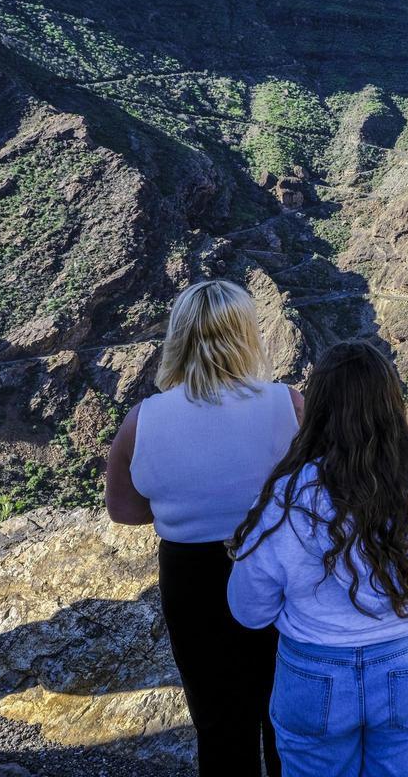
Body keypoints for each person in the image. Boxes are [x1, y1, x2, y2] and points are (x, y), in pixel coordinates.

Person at [226, 340, 408, 777]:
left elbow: (249, 610)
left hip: (316, 675)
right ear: (393, 404)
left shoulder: (287, 497)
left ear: (319, 409)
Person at [105, 279, 302, 777]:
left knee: (218, 723)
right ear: (247, 336)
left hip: (190, 580)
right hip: (280, 569)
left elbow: (124, 511)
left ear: (179, 337)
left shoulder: (142, 420)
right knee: (287, 718)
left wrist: (182, 504)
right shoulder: (289, 406)